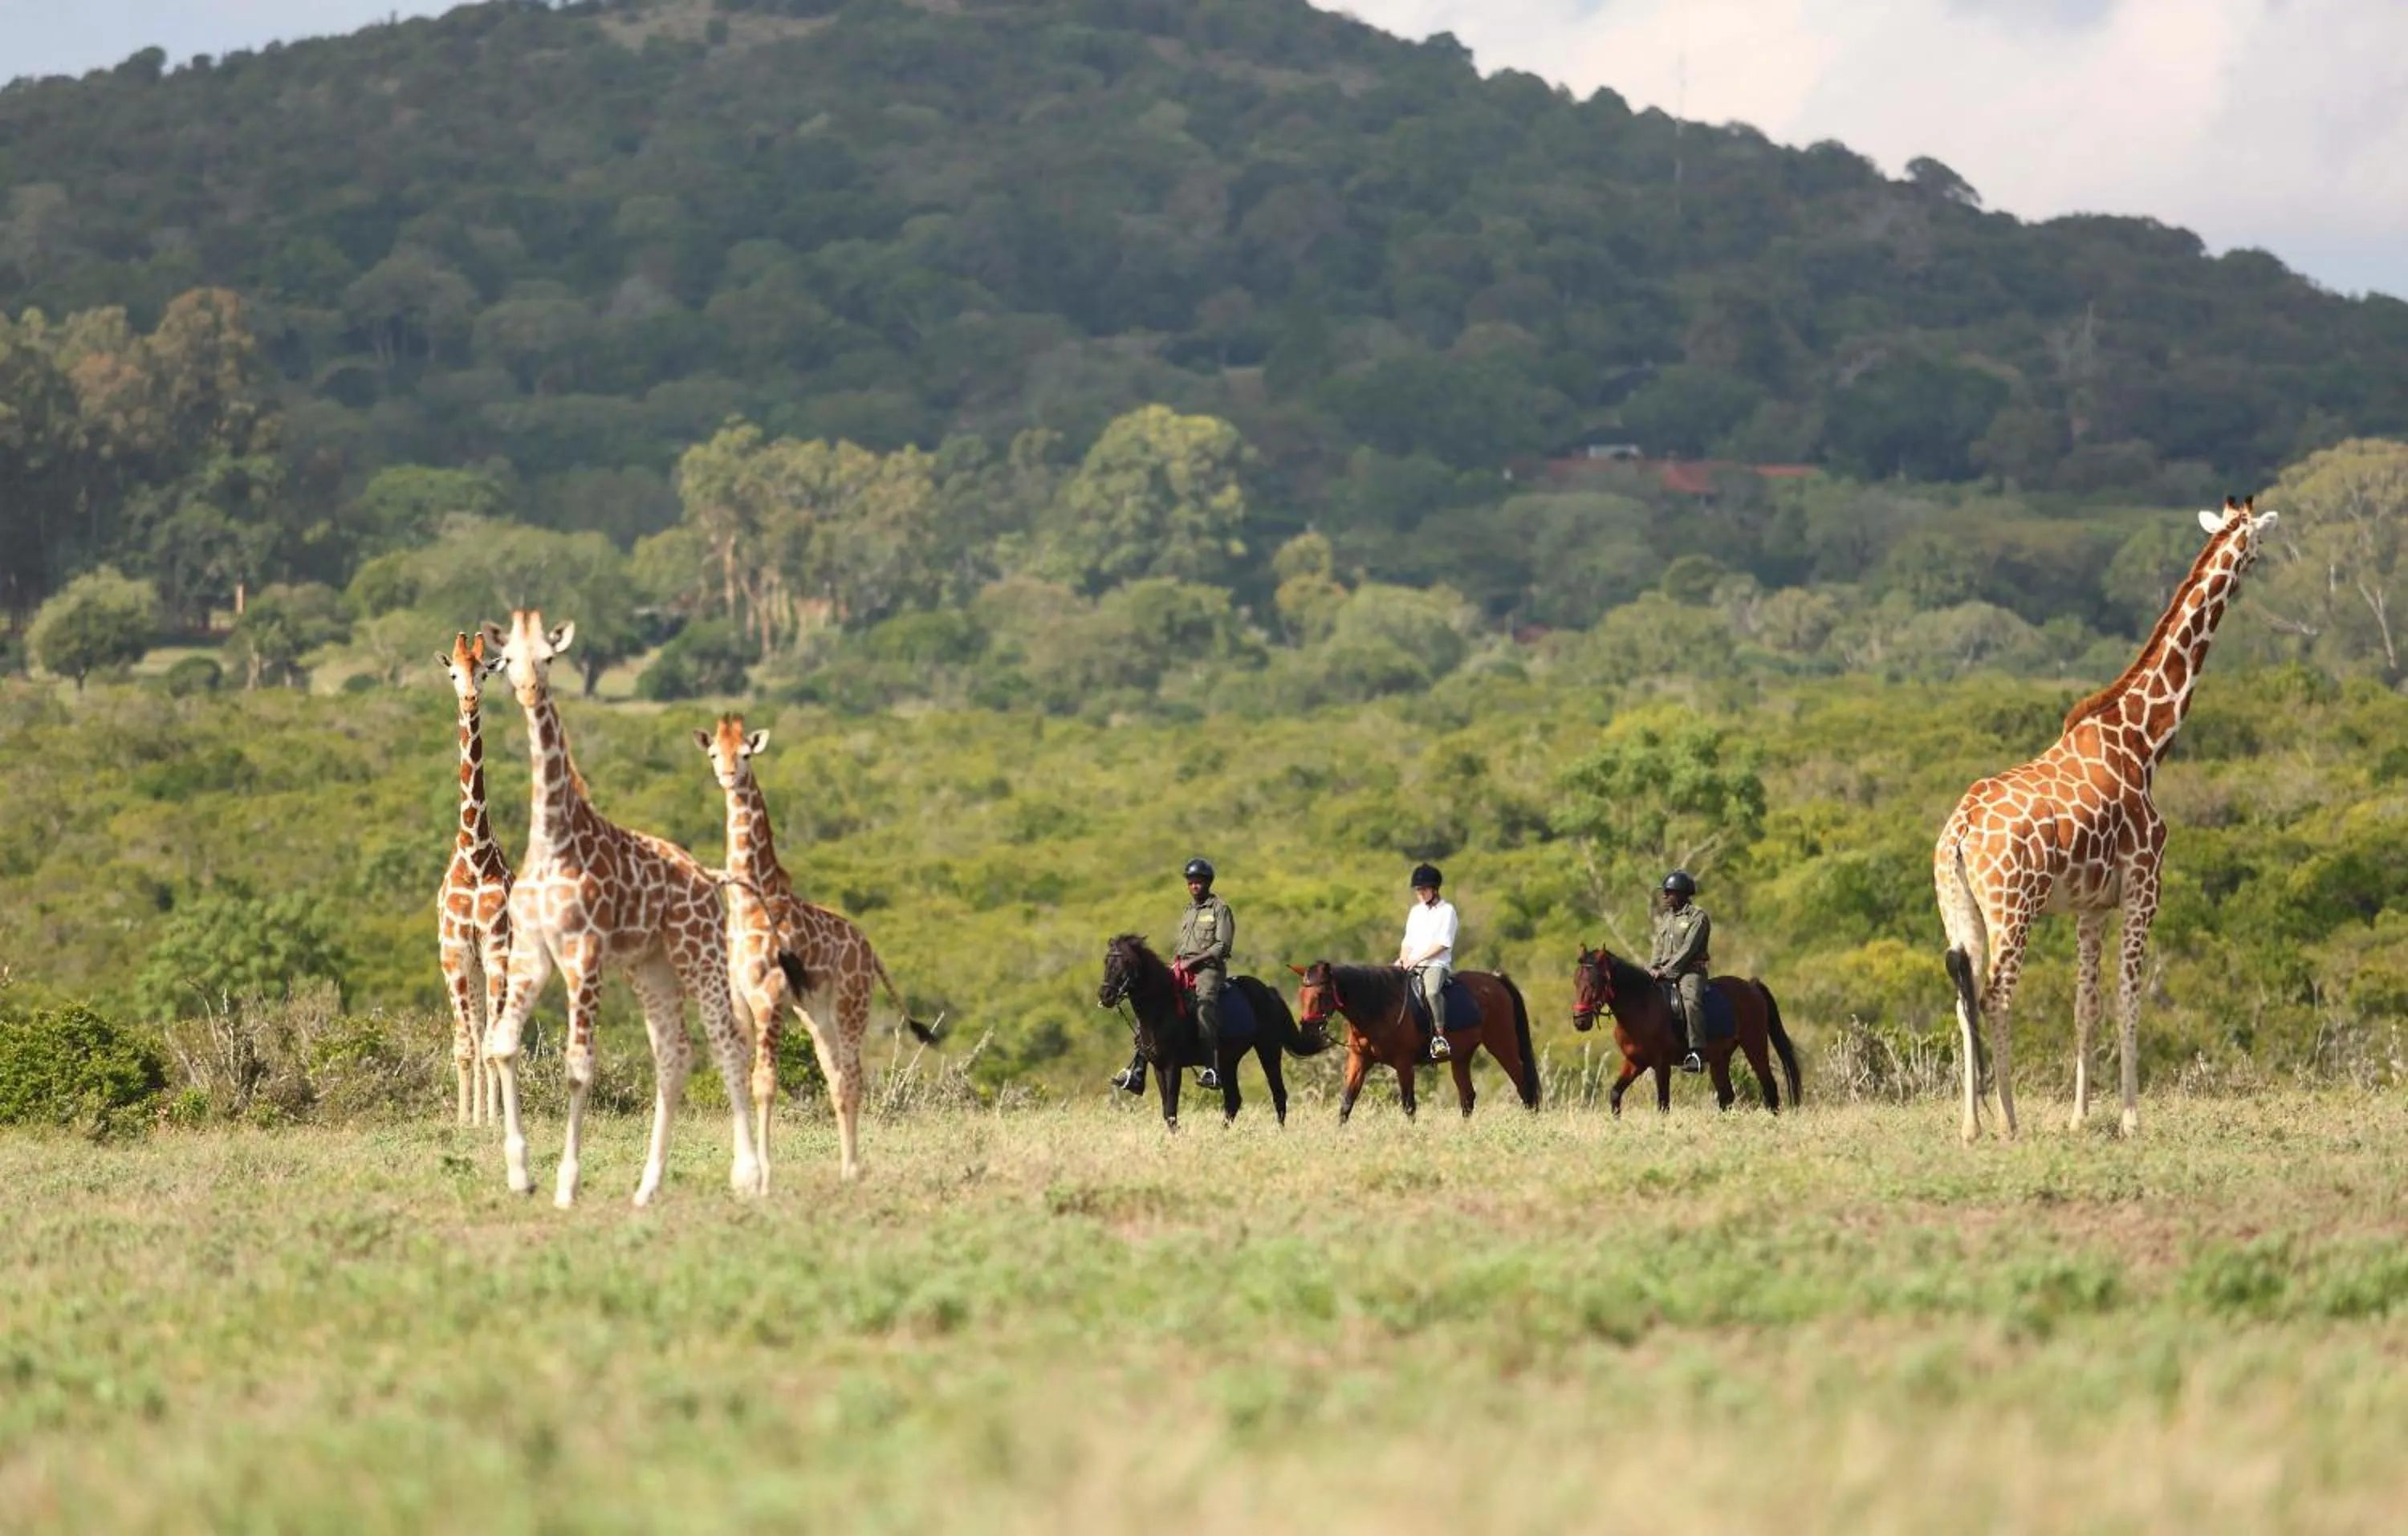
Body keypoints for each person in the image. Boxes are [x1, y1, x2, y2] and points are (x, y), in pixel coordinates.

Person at [1111, 857, 1233, 1094]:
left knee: (1204, 1006)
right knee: (1151, 1004)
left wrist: (1193, 962)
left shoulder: (1220, 909)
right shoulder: (1188, 911)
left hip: (1209, 969)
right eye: (1191, 882)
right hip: (1183, 965)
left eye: (1199, 882)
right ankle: (1138, 1069)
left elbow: (1222, 946)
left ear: (1208, 883)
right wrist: (1177, 965)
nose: (1195, 886)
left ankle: (1212, 1068)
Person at [1649, 868, 1713, 1073]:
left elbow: (1688, 950)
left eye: (1669, 892)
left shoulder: (1698, 917)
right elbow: (1658, 948)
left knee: (1691, 1001)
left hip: (1690, 972)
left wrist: (1666, 971)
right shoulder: (1667, 919)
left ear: (1683, 894)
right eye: (1664, 891)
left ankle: (1696, 1052)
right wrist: (1653, 968)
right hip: (1665, 972)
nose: (1664, 895)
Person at [1397, 863, 1458, 1062]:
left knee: (1431, 992)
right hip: (1411, 961)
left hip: (1435, 964)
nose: (1420, 894)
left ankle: (1440, 1038)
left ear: (1434, 889)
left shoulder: (1447, 911)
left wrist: (1418, 959)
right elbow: (1408, 940)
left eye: (1423, 890)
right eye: (1418, 890)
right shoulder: (1416, 912)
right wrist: (1405, 958)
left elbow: (1443, 943)